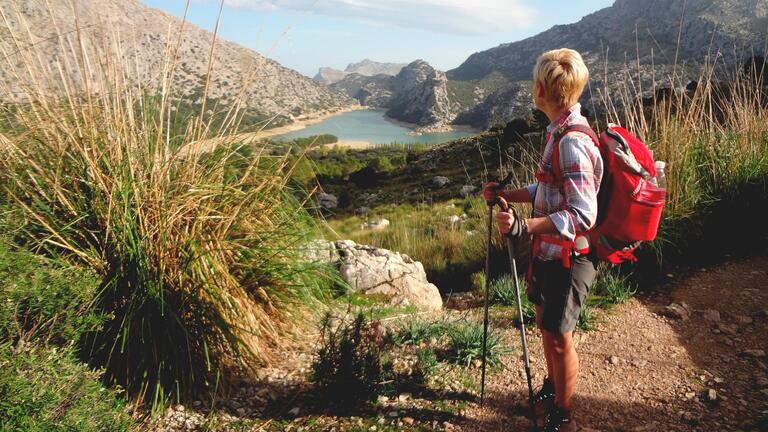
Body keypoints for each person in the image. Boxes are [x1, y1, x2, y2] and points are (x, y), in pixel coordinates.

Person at [483, 48, 603, 432]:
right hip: (550, 252)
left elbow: (583, 213)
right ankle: (552, 389)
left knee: (559, 337)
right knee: (546, 327)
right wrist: (511, 194)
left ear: (539, 90)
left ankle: (562, 412)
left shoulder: (571, 141)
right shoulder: (559, 131)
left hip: (570, 257)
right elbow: (550, 186)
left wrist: (525, 227)